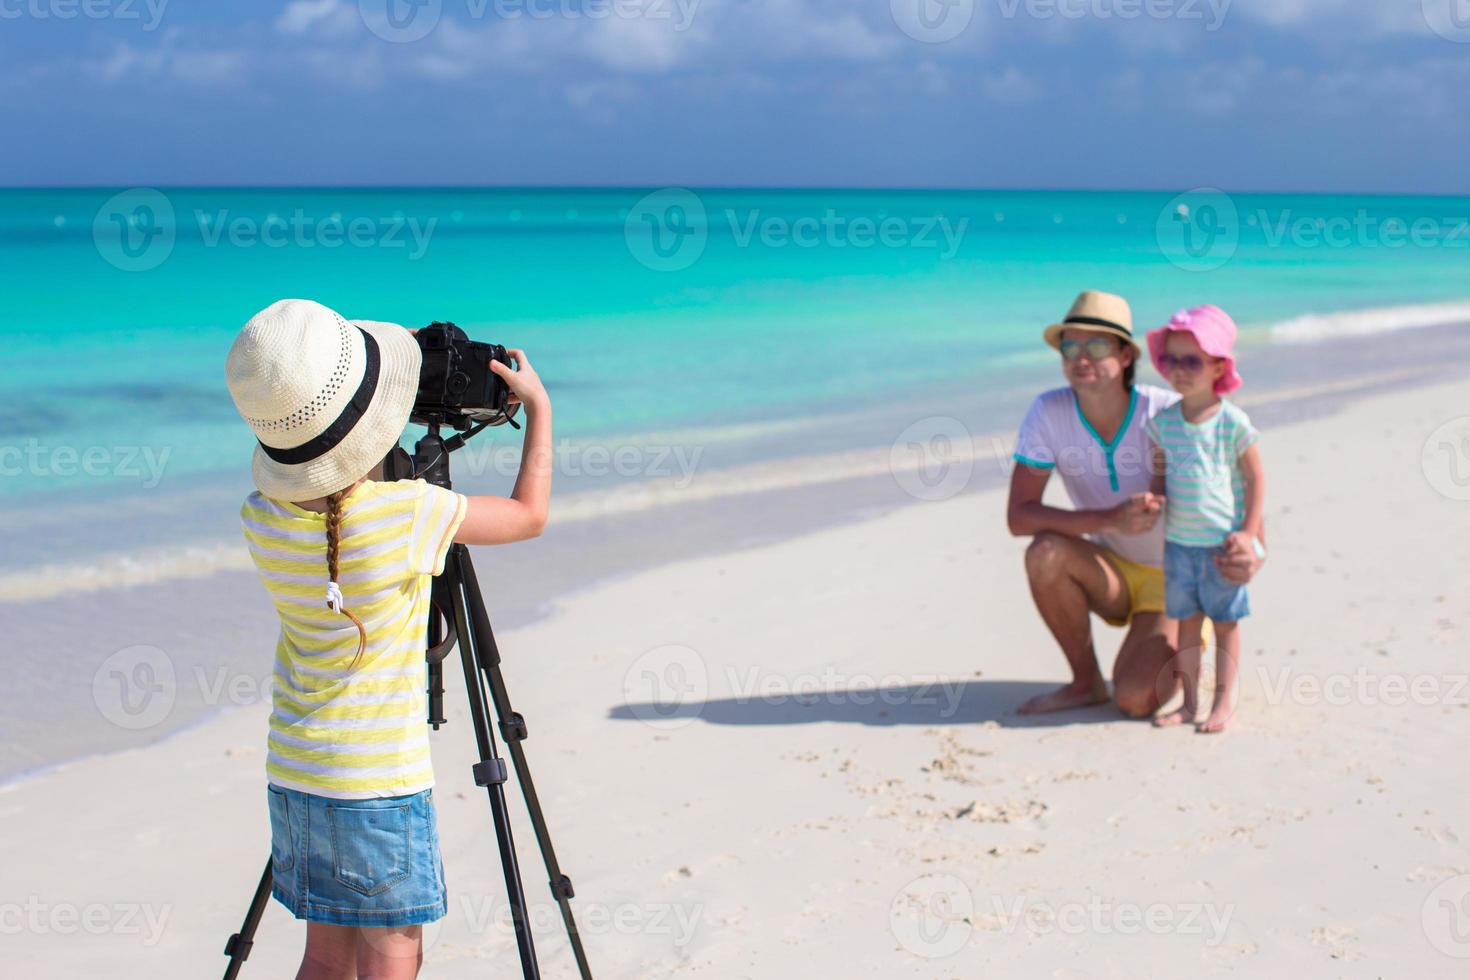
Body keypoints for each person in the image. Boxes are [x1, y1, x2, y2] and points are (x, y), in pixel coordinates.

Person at [225, 299, 552, 979]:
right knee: (391, 952)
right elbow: (527, 516)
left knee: (324, 956)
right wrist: (539, 410)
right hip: (376, 784)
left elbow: (330, 469)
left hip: (297, 772)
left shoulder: (260, 516)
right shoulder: (411, 515)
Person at [1006, 290, 1262, 717]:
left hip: (1175, 578)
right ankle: (1085, 682)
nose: (1081, 357)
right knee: (1045, 552)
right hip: (1109, 570)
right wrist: (1110, 521)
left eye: (1098, 345)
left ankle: (1183, 643)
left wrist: (1253, 550)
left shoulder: (1167, 412)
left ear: (1126, 356)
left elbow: (1237, 486)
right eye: (1070, 345)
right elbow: (1019, 517)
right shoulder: (1048, 411)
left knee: (1136, 698)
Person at [1145, 306, 1264, 733]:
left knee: (1226, 624)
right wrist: (1153, 500)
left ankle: (1223, 701)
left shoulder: (1232, 422)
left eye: (1191, 361)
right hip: (1179, 544)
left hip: (1221, 546)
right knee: (1188, 628)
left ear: (1218, 366)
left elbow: (1254, 480)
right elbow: (1159, 477)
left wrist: (1249, 535)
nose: (1179, 370)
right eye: (1172, 360)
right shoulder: (1163, 424)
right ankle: (1189, 701)